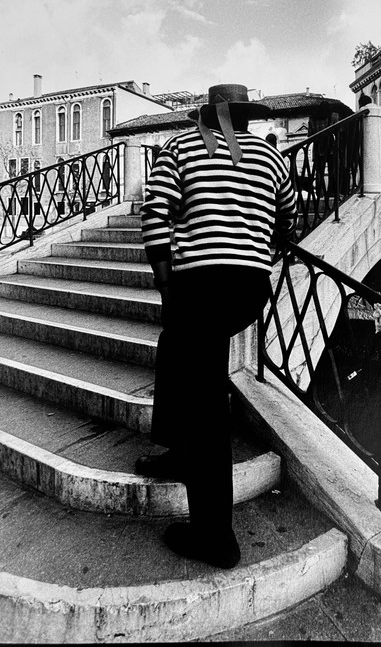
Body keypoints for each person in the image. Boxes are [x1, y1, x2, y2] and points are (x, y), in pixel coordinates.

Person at [137, 83, 296, 569]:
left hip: (197, 287)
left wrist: (166, 284)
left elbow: (155, 212)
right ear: (245, 117)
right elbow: (288, 217)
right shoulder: (271, 158)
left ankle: (215, 537)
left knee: (205, 401)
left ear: (208, 115)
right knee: (176, 351)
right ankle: (176, 450)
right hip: (246, 291)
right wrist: (254, 243)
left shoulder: (180, 147)